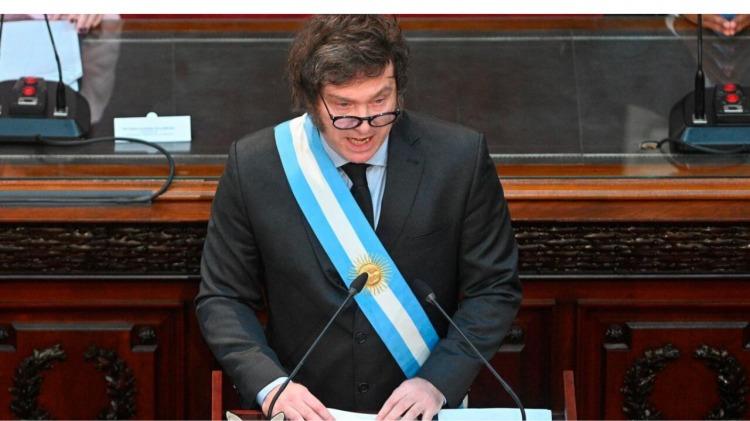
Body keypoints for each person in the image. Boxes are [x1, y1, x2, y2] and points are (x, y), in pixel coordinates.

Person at [196, 15, 521, 421]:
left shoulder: (459, 159)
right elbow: (223, 297)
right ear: (312, 100)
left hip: (423, 409)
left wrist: (438, 382)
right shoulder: (256, 165)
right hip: (302, 409)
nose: (364, 127)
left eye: (380, 102)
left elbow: (494, 287)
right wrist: (270, 384)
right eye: (344, 107)